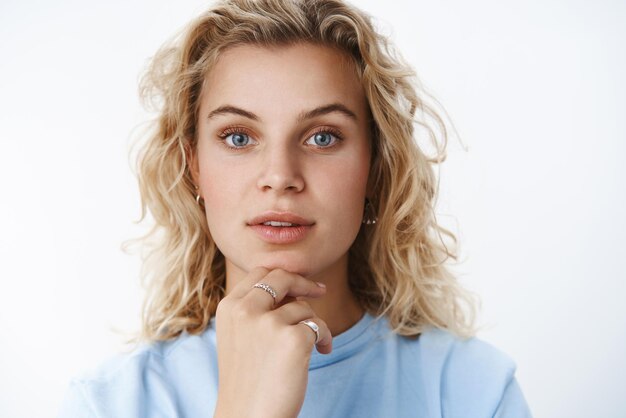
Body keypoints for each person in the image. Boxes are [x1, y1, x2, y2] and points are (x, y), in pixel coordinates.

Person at [59, 0, 533, 417]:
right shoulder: (109, 404)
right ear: (194, 167)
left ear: (374, 166)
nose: (280, 175)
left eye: (322, 137)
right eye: (239, 137)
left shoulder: (474, 391)